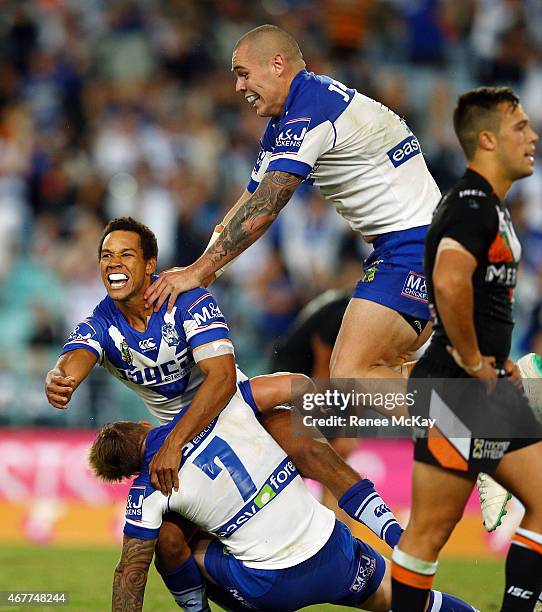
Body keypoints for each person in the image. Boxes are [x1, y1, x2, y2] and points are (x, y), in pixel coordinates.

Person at [142, 24, 509, 528]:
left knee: (352, 374)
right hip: (415, 244)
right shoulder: (295, 115)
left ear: (278, 65)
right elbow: (246, 203)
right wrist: (199, 272)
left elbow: (267, 209)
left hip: (415, 244)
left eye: (243, 73)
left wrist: (200, 272)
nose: (237, 87)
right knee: (380, 377)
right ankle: (493, 404)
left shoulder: (310, 110)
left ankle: (486, 428)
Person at [44, 216, 405, 604]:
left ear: (150, 264)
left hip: (227, 407)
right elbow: (75, 357)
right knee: (166, 539)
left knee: (302, 436)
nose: (113, 263)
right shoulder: (100, 324)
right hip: (184, 439)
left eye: (125, 254)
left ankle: (399, 536)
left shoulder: (183, 295)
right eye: (105, 256)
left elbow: (221, 379)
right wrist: (60, 377)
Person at [89, 390, 478, 612]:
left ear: (127, 473)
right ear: (145, 424)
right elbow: (295, 382)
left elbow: (130, 574)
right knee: (415, 603)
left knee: (173, 542)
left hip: (269, 588)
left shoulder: (146, 491)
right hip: (333, 552)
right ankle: (400, 540)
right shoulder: (220, 405)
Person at [390, 87, 542, 612]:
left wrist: (496, 364)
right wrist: (477, 361)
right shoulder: (472, 203)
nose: (533, 136)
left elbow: (470, 293)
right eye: (520, 126)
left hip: (467, 386)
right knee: (431, 532)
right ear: (486, 138)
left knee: (432, 532)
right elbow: (451, 282)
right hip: (457, 387)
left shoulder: (486, 207)